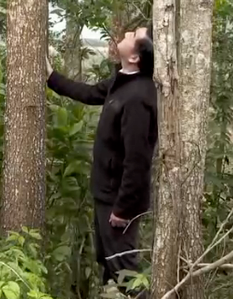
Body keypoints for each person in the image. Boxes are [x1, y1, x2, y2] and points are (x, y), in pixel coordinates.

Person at [46, 25, 157, 295]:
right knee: (109, 263)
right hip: (106, 193)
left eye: (133, 36)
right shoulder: (122, 82)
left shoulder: (138, 97)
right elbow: (89, 93)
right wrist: (50, 77)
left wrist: (123, 208)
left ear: (135, 57)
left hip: (119, 202)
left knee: (124, 270)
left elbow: (137, 160)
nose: (127, 33)